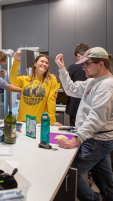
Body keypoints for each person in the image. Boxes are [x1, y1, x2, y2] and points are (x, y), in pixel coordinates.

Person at [55, 47, 113, 201]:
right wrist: (62, 69)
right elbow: (71, 89)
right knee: (107, 184)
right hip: (98, 140)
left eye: (87, 64)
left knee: (68, 173)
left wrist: (76, 139)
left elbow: (96, 117)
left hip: (96, 141)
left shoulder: (106, 86)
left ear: (101, 64)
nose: (83, 67)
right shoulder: (93, 81)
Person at [9, 50, 62, 126]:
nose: (44, 64)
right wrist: (16, 61)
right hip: (23, 122)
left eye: (46, 63)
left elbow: (51, 100)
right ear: (35, 64)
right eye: (42, 61)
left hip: (40, 123)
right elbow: (12, 80)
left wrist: (52, 121)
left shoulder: (51, 79)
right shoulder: (25, 79)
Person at [66, 43, 89, 126]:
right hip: (90, 107)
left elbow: (66, 87)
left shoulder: (73, 67)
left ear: (78, 55)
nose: (84, 68)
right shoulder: (95, 67)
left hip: (75, 106)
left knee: (74, 132)